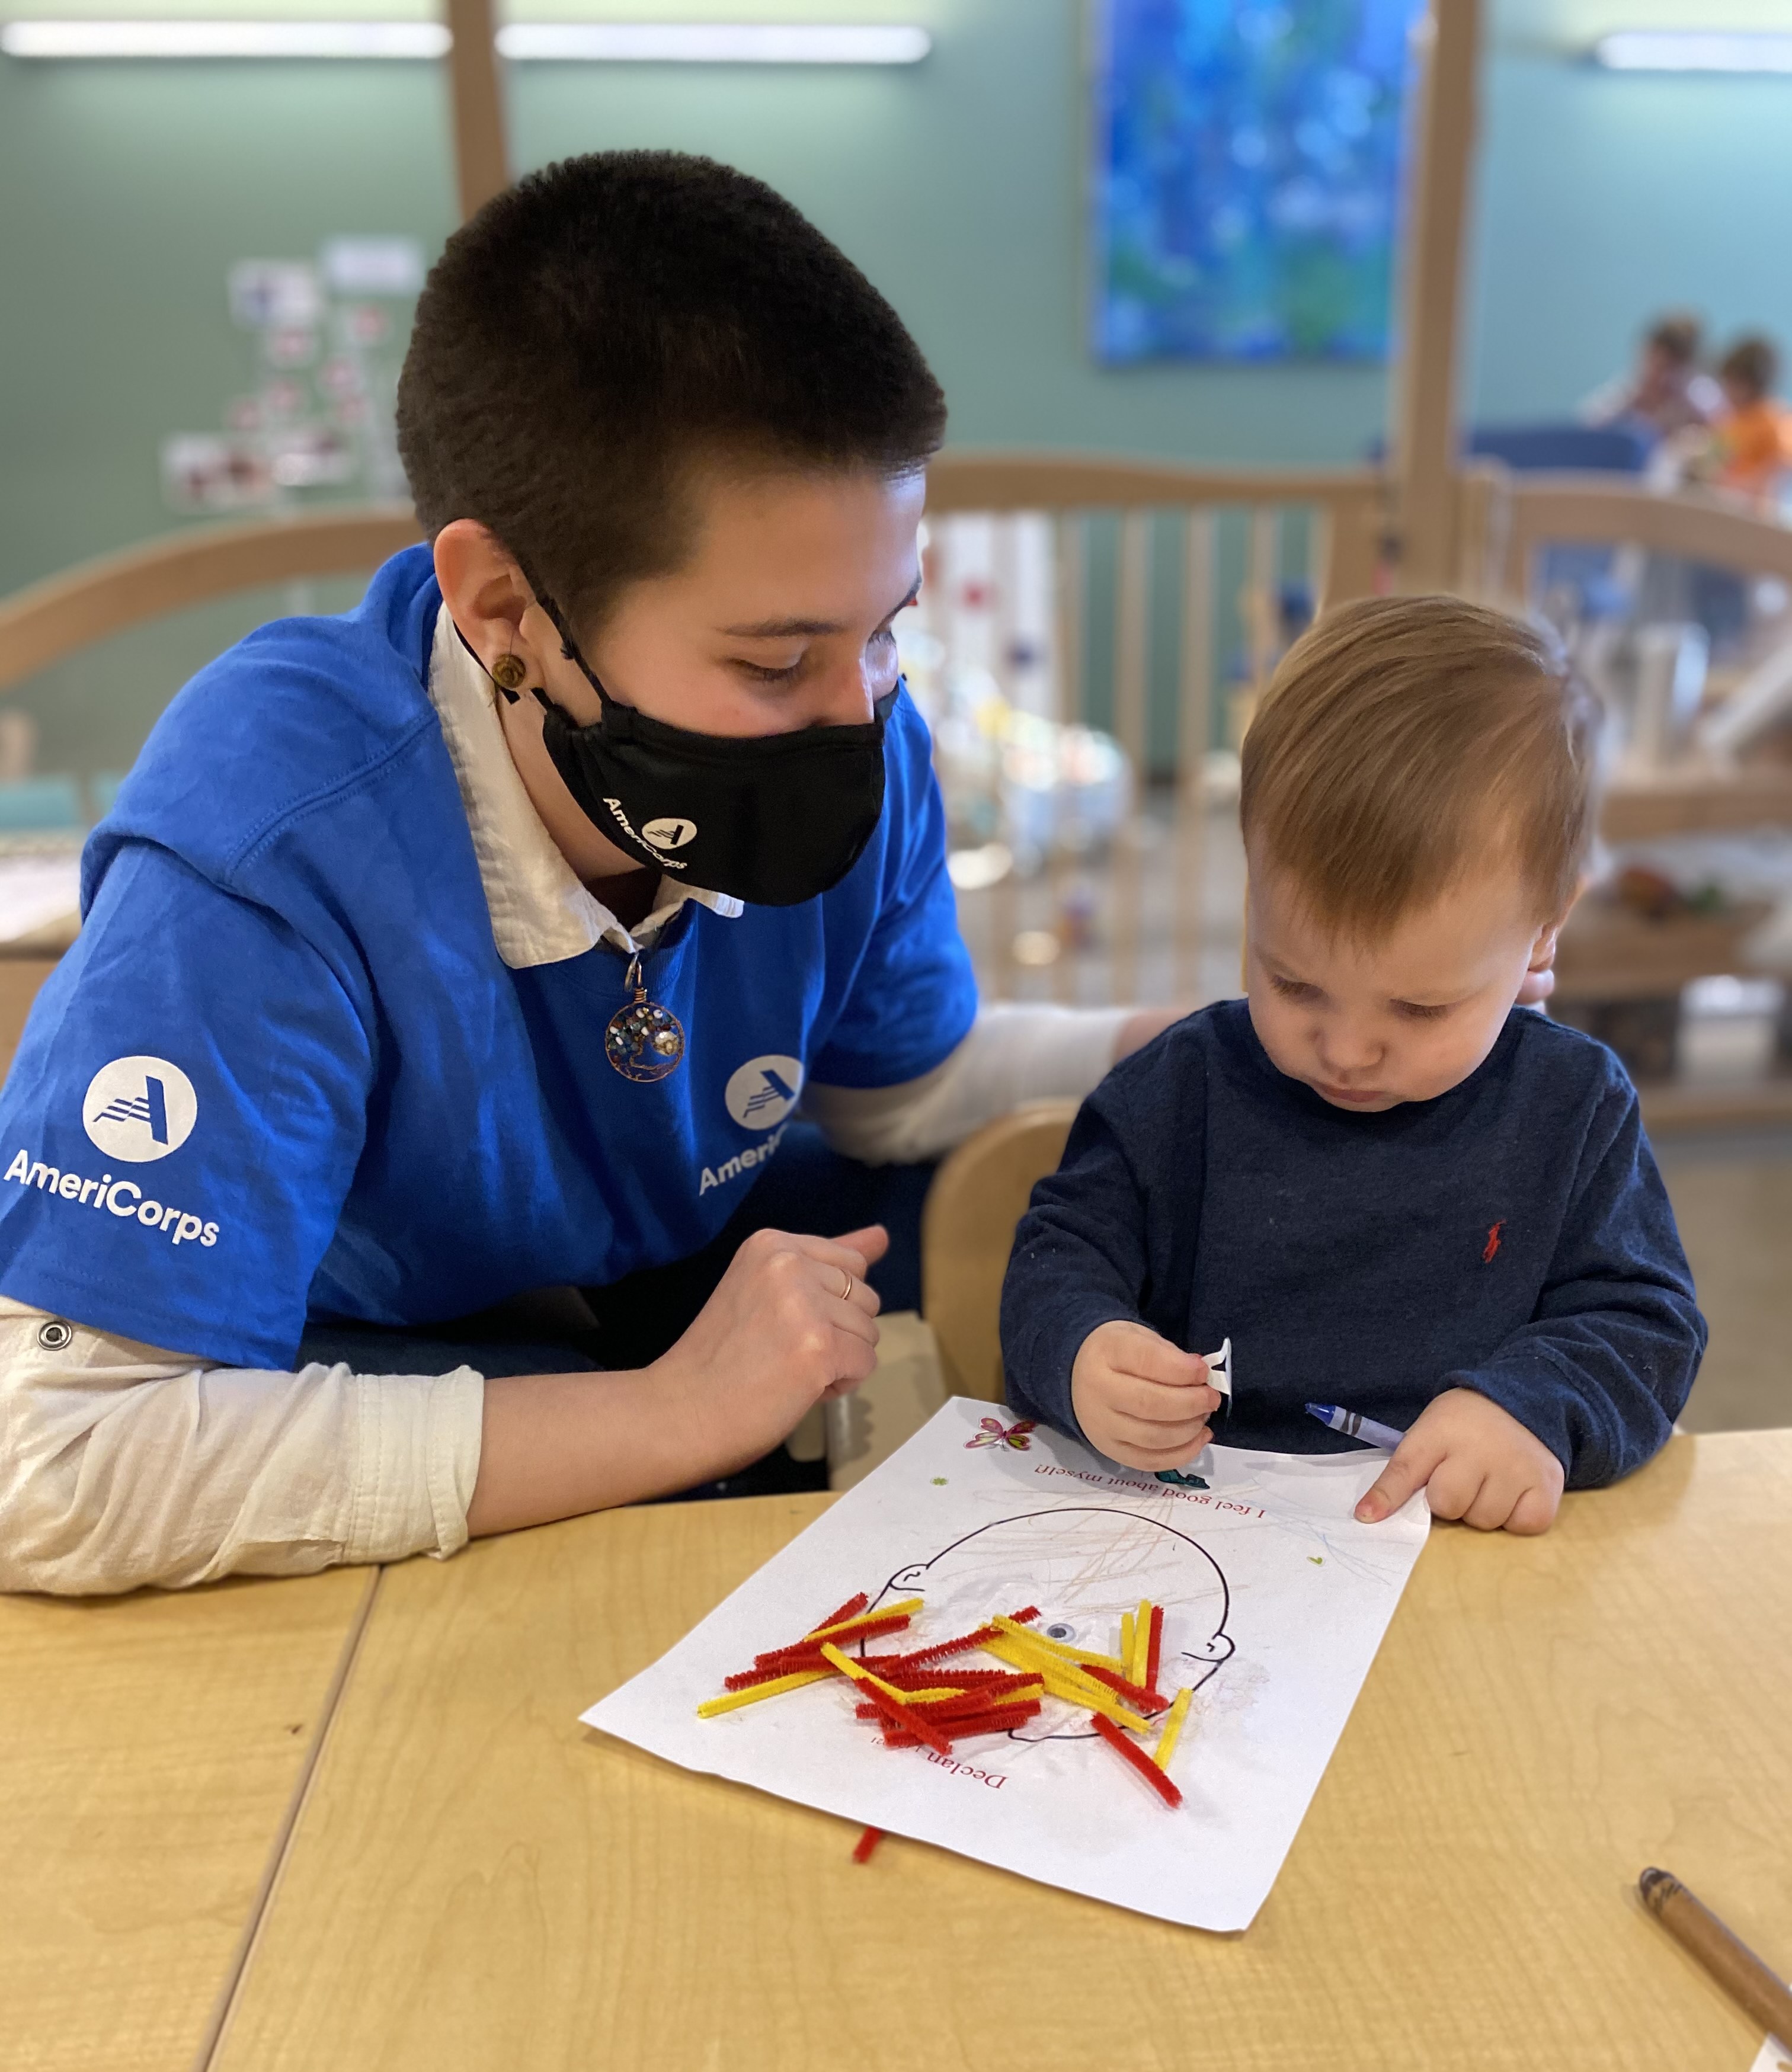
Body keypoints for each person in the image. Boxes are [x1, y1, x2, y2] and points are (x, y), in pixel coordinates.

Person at [0, 153, 1185, 1596]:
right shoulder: (271, 846)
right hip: (363, 1373)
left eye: (888, 628)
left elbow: (898, 1092)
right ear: (504, 607)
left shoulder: (868, 743)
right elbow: (51, 1466)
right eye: (772, 659)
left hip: (666, 1290)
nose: (860, 709)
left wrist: (1189, 1042)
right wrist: (672, 1414)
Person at [1000, 597, 1707, 1538]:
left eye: (1419, 1008)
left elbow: (1647, 1326)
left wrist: (1534, 1403)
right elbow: (1057, 1261)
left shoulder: (1573, 1109)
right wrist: (1085, 1354)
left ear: (1544, 929)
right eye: (1292, 982)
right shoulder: (1179, 1093)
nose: (1345, 1049)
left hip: (1467, 1559)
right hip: (1204, 1541)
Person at [1580, 312, 1719, 443]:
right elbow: (1586, 422)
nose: (1660, 368)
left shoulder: (1696, 389)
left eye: (1670, 362)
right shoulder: (1630, 388)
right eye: (1656, 359)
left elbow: (1722, 424)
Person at [1699, 335, 1788, 504]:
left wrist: (1743, 486)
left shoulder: (1773, 418)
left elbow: (1780, 466)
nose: (1728, 389)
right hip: (1723, 503)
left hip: (1755, 510)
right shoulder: (1730, 420)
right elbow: (1714, 461)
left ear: (1754, 384)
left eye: (1734, 382)